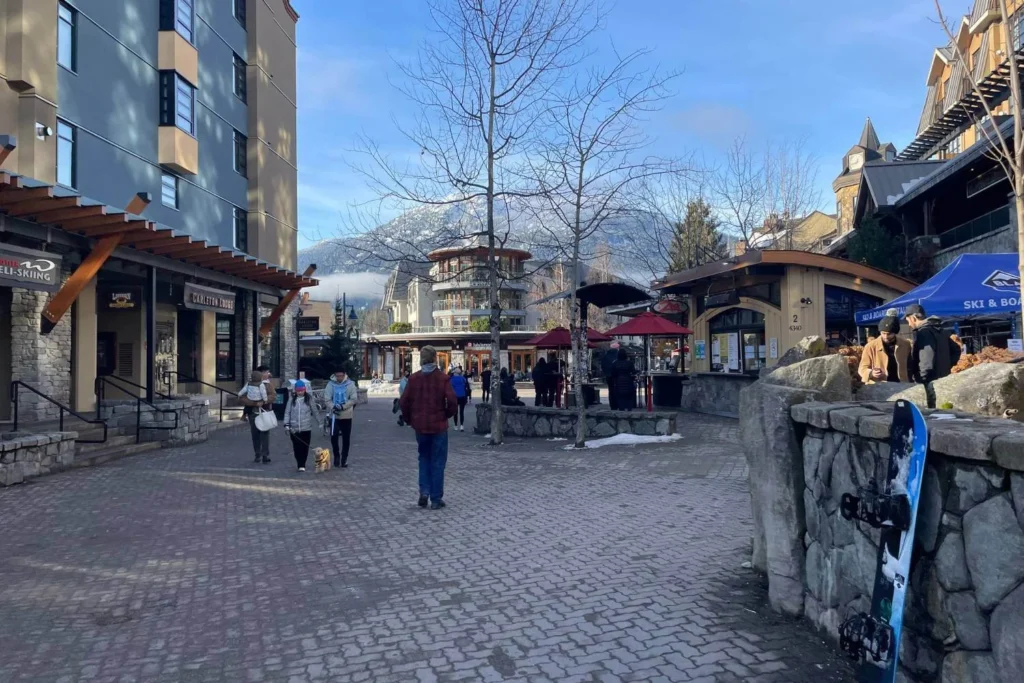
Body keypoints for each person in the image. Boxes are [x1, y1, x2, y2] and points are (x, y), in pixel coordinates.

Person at [399, 346, 458, 510]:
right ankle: (436, 498)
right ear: (434, 359)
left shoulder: (413, 379)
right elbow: (453, 402)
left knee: (423, 458)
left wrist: (409, 419)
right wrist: (446, 415)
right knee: (438, 461)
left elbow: (403, 402)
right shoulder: (442, 378)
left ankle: (424, 492)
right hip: (438, 425)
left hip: (420, 426)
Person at [905, 304, 961, 385]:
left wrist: (921, 378)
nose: (909, 324)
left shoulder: (924, 332)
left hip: (930, 382)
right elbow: (956, 350)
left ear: (913, 318)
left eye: (908, 321)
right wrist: (946, 366)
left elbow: (927, 359)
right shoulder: (941, 330)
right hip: (944, 378)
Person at [858, 316, 911, 384]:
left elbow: (910, 366)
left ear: (895, 332)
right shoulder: (870, 347)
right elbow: (862, 369)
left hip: (900, 385)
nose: (886, 337)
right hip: (878, 387)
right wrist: (871, 373)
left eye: (889, 334)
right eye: (883, 333)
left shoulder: (905, 344)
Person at [283, 380, 319, 472]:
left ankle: (302, 464)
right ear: (295, 391)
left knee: (305, 447)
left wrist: (320, 422)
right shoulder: (291, 399)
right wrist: (286, 424)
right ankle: (299, 462)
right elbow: (287, 412)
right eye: (298, 391)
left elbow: (315, 411)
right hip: (294, 428)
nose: (300, 392)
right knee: (296, 447)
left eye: (302, 390)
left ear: (304, 390)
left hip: (306, 428)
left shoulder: (309, 399)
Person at [325, 369, 357, 467]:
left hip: (346, 415)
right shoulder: (330, 385)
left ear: (344, 375)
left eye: (341, 376)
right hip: (334, 416)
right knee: (334, 437)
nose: (339, 378)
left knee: (346, 438)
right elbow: (327, 398)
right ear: (335, 375)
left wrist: (343, 406)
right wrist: (333, 407)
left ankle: (344, 459)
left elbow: (353, 399)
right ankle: (337, 456)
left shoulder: (350, 384)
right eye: (337, 376)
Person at [239, 370, 271, 463]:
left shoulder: (251, 384)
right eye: (265, 372)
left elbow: (273, 396)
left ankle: (264, 455)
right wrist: (258, 402)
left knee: (263, 434)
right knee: (256, 434)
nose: (267, 374)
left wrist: (265, 401)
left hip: (261, 412)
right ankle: (258, 454)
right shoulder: (260, 385)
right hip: (254, 412)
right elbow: (243, 398)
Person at [449, 367, 471, 431]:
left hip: (455, 397)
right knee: (461, 411)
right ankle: (462, 426)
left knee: (455, 412)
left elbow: (450, 389)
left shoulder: (451, 379)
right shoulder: (463, 378)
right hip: (462, 396)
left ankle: (456, 425)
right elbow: (466, 387)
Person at [602, 343, 620, 410]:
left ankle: (612, 405)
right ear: (617, 348)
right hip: (616, 376)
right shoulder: (618, 355)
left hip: (608, 376)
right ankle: (618, 404)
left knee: (611, 390)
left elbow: (603, 365)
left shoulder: (606, 355)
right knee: (617, 390)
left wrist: (606, 373)